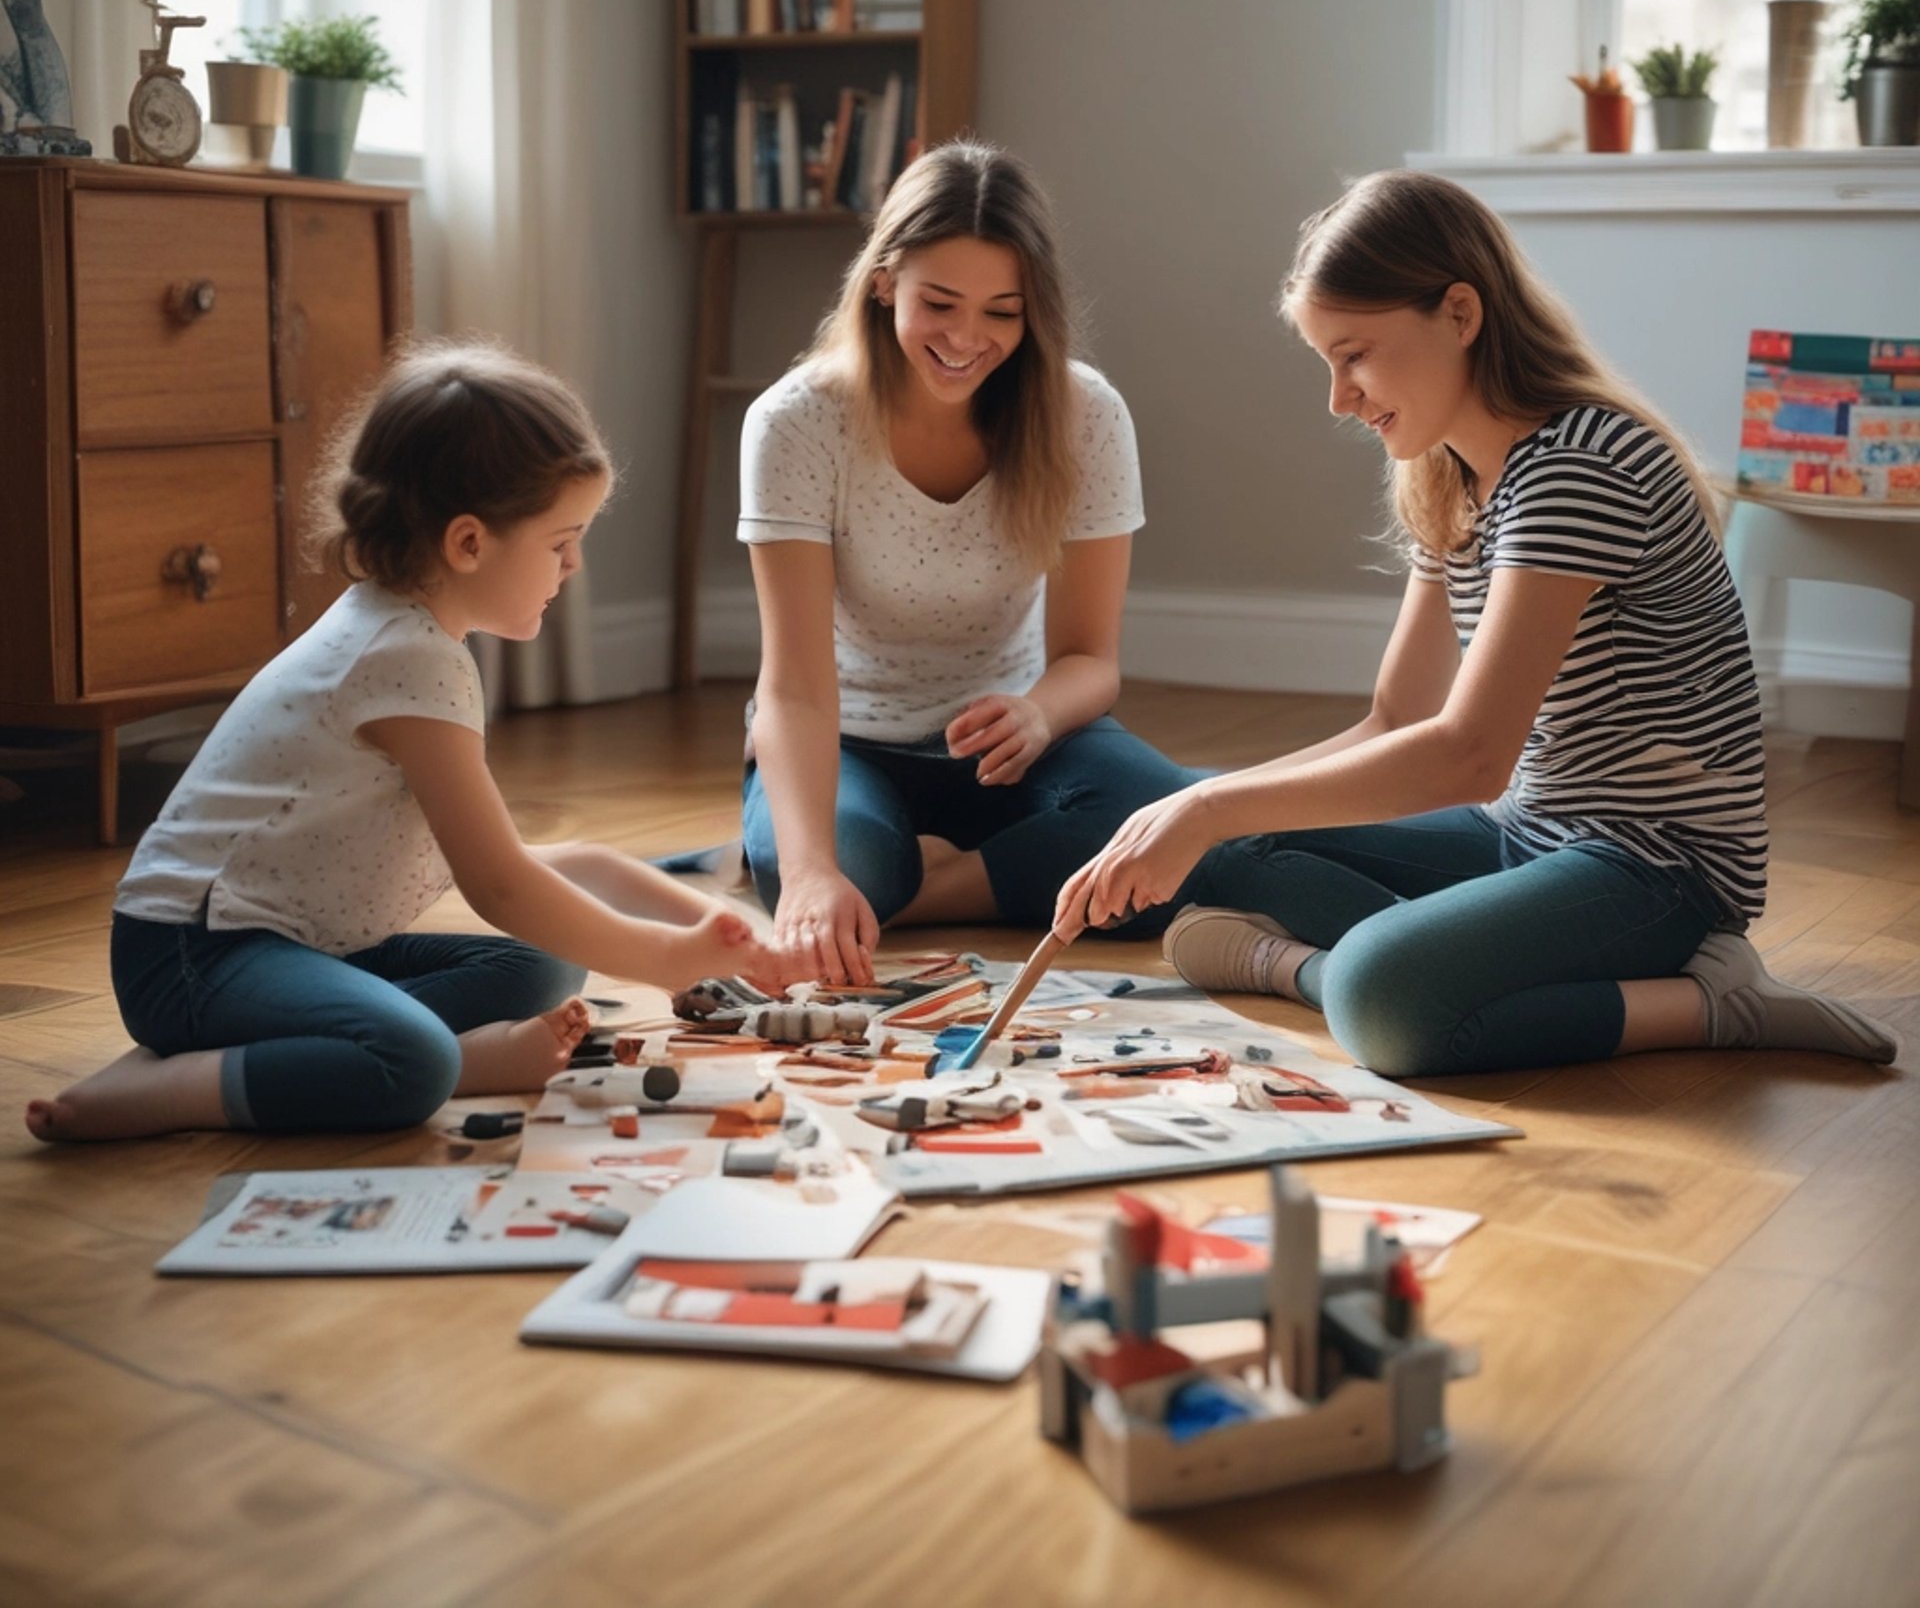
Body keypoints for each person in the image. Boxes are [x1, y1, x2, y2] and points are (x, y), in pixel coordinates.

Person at [1055, 170, 1897, 1076]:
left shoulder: (1581, 465)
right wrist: (1188, 809)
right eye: (1326, 361)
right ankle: (1414, 963)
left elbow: (1468, 753)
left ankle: (1707, 1001)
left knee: (1384, 997)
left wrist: (1209, 807)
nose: (1339, 398)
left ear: (1460, 313)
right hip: (1530, 829)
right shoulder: (1451, 472)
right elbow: (1397, 719)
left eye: (1356, 354)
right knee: (1216, 843)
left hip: (1657, 870)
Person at [27, 346, 783, 1143]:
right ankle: (173, 1086)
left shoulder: (404, 632)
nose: (574, 564)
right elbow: (501, 886)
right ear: (467, 543)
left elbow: (556, 867)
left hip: (287, 944)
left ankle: (359, 1044)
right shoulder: (407, 660)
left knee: (546, 966)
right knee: (411, 1063)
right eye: (562, 540)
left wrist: (719, 934)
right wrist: (665, 957)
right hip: (191, 959)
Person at [740, 139, 1197, 987]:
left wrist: (1035, 714)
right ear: (885, 282)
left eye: (1002, 311)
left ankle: (931, 878)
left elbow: (1090, 662)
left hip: (1018, 745)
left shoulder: (1084, 413)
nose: (966, 338)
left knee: (1161, 855)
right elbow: (795, 686)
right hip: (845, 740)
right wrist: (810, 875)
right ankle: (902, 871)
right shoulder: (796, 422)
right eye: (939, 303)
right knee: (831, 876)